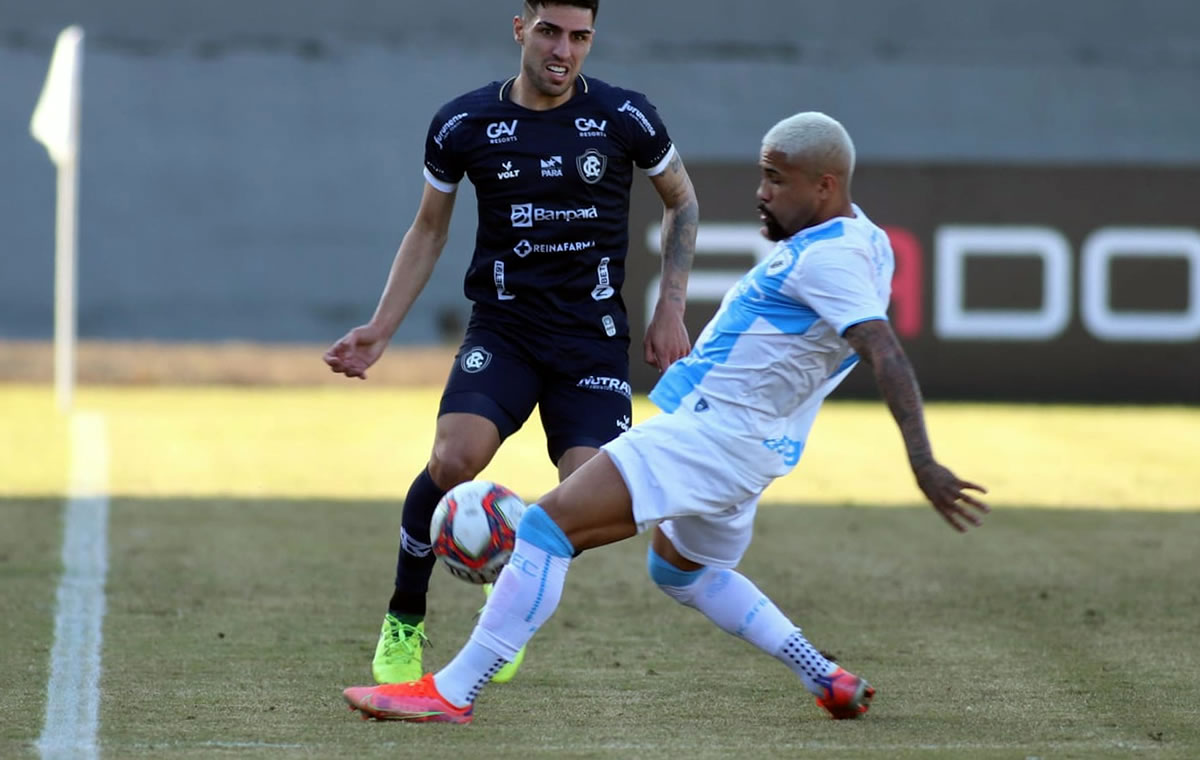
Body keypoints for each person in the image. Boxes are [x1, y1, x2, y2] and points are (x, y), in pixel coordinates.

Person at [341, 111, 990, 724]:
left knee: (543, 529)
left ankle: (451, 693)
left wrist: (922, 459)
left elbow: (882, 347)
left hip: (712, 435)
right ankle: (823, 676)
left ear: (825, 185)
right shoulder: (864, 240)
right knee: (680, 569)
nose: (760, 192)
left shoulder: (832, 260)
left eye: (775, 178)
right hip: (754, 447)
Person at [323, 0, 699, 687]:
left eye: (580, 37)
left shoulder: (625, 117)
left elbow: (682, 204)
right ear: (521, 28)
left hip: (590, 340)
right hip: (505, 331)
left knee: (591, 496)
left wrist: (671, 304)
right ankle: (405, 614)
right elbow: (428, 230)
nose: (564, 50)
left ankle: (508, 590)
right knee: (454, 459)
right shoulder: (465, 123)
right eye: (551, 31)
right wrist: (380, 328)